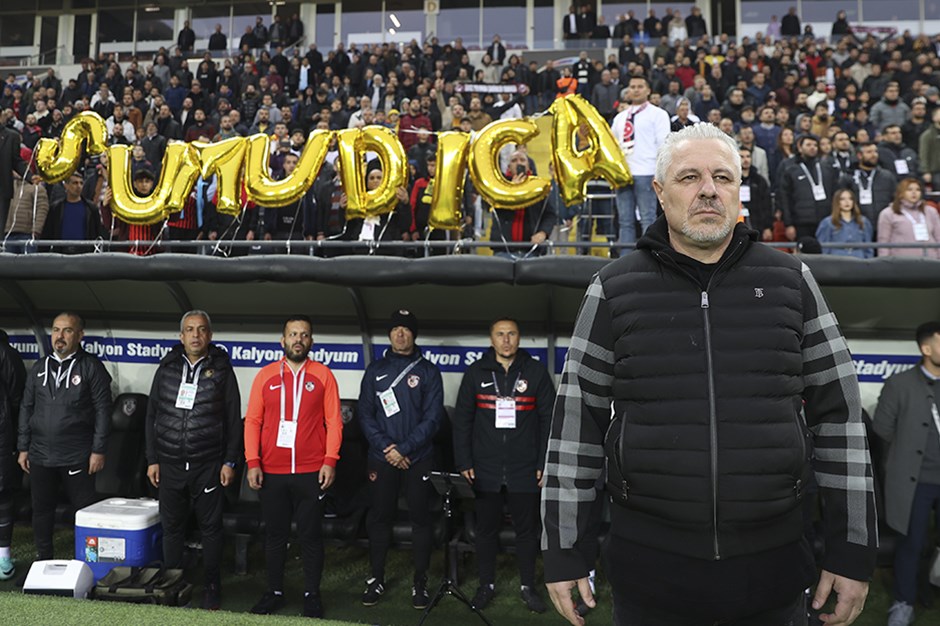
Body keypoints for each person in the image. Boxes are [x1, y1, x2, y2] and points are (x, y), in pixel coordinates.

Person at [542, 124, 877, 626]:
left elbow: (840, 421)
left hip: (774, 572)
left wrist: (851, 549)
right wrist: (564, 550)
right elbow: (576, 428)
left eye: (722, 177)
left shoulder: (792, 280)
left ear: (739, 190)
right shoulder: (612, 288)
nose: (707, 190)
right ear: (659, 193)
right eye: (689, 177)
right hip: (649, 577)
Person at [453, 317, 554, 614]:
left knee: (527, 531)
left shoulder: (535, 372)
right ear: (492, 339)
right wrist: (464, 461)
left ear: (519, 338)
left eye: (511, 334)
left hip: (526, 468)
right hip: (485, 468)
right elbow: (462, 421)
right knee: (485, 530)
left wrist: (543, 461)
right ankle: (486, 585)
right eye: (500, 334)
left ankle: (528, 587)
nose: (506, 340)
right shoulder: (476, 373)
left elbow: (549, 420)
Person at [245, 315, 343, 618]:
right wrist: (252, 461)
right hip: (272, 471)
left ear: (311, 341)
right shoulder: (265, 375)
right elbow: (253, 421)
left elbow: (334, 422)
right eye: (293, 334)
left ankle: (312, 594)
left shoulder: (323, 375)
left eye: (304, 335)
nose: (298, 339)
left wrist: (330, 460)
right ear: (283, 340)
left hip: (311, 471)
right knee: (275, 535)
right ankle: (274, 592)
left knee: (311, 535)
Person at [145, 310, 242, 610]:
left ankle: (212, 584)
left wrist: (230, 461)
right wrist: (152, 459)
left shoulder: (222, 369)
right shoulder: (167, 367)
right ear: (181, 336)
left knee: (210, 528)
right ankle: (173, 583)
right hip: (170, 462)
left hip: (208, 463)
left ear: (209, 336)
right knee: (172, 527)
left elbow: (233, 418)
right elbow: (151, 415)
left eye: (201, 330)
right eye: (189, 330)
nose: (195, 335)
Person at [358, 310, 444, 609]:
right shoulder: (375, 370)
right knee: (380, 518)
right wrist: (389, 449)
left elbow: (433, 419)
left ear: (414, 334)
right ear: (389, 334)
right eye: (395, 328)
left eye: (406, 329)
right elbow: (365, 415)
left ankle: (420, 582)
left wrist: (404, 449)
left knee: (421, 519)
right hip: (382, 458)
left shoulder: (429, 371)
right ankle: (376, 578)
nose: (400, 334)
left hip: (418, 459)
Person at [17, 312, 113, 561]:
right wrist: (23, 447)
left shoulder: (91, 367)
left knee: (84, 512)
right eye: (56, 330)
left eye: (67, 330)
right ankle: (44, 560)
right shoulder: (40, 367)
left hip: (77, 454)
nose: (60, 336)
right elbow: (27, 407)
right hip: (40, 453)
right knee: (41, 510)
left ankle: (89, 562)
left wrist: (98, 450)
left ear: (80, 335)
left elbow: (103, 410)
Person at [873, 321, 940, 626]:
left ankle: (927, 587)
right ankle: (903, 602)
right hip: (916, 483)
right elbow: (882, 428)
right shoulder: (899, 384)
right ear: (926, 348)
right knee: (910, 544)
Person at [610, 76, 670, 248]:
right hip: (624, 174)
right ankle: (625, 259)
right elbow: (613, 145)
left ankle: (648, 257)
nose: (636, 90)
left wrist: (659, 173)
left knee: (647, 219)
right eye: (632, 87)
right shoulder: (620, 117)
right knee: (624, 221)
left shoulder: (658, 114)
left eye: (640, 86)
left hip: (647, 172)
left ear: (648, 90)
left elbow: (663, 145)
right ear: (628, 91)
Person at [488, 150, 556, 258]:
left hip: (531, 250)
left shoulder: (538, 188)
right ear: (509, 167)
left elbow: (550, 214)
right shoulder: (499, 187)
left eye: (522, 160)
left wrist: (543, 233)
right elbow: (493, 207)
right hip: (503, 250)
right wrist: (511, 191)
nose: (518, 163)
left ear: (528, 166)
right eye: (514, 160)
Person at [778, 134, 838, 239]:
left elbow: (835, 194)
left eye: (815, 145)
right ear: (800, 148)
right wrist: (789, 224)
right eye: (808, 145)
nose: (812, 147)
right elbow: (785, 199)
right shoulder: (791, 171)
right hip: (801, 222)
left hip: (826, 220)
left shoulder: (827, 169)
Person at [0, 329, 25, 580]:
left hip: (2, 436)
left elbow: (16, 399)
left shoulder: (5, 354)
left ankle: (3, 559)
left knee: (2, 495)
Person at [877, 178, 940, 258]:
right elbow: (883, 242)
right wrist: (884, 262)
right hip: (902, 262)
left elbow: (938, 237)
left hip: (930, 260)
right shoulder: (888, 214)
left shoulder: (931, 211)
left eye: (917, 190)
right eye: (909, 190)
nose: (914, 192)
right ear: (900, 193)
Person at [847, 141, 897, 229]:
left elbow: (895, 199)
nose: (874, 155)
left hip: (884, 224)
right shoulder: (849, 177)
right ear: (859, 155)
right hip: (858, 225)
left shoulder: (887, 176)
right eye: (869, 152)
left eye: (875, 151)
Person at [815, 188, 874, 259]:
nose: (847, 202)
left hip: (859, 259)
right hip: (837, 260)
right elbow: (824, 248)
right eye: (842, 199)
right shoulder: (827, 223)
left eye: (850, 199)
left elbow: (868, 247)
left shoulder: (863, 221)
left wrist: (868, 262)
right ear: (837, 202)